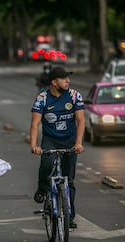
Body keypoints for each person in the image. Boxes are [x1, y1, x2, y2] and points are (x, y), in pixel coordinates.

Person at [30, 66, 85, 229]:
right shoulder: (42, 98)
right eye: (64, 78)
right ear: (54, 82)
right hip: (50, 140)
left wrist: (78, 143)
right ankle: (42, 189)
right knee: (46, 165)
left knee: (69, 180)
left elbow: (81, 121)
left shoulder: (75, 96)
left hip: (70, 141)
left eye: (68, 78)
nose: (68, 81)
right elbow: (35, 123)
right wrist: (34, 145)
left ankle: (70, 216)